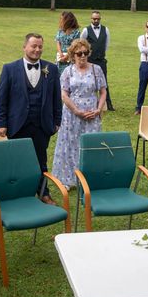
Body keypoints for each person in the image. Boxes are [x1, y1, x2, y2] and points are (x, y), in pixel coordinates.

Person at [0, 33, 62, 204]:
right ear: (24, 47)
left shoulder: (51, 69)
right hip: (18, 124)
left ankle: (43, 193)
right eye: (33, 46)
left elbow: (56, 97)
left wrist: (57, 121)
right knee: (18, 161)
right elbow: (2, 99)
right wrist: (2, 123)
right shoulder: (9, 69)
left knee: (41, 160)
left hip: (42, 124)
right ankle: (19, 195)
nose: (37, 49)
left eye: (40, 46)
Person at [51, 39, 106, 189]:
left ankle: (89, 178)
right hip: (71, 114)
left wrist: (98, 109)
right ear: (72, 55)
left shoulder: (96, 70)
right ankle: (67, 179)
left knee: (90, 145)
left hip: (92, 115)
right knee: (69, 145)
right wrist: (76, 111)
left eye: (85, 53)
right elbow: (64, 94)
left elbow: (102, 92)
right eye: (79, 53)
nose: (83, 56)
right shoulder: (67, 71)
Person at [81, 10, 114, 110]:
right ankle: (88, 104)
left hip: (101, 60)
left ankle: (108, 105)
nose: (96, 20)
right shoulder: (86, 30)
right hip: (90, 60)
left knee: (104, 82)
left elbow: (106, 44)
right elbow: (82, 43)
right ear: (91, 19)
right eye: (94, 19)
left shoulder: (105, 29)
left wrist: (102, 54)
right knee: (88, 82)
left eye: (98, 19)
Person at [55, 11, 80, 75]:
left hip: (70, 58)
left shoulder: (76, 32)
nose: (60, 21)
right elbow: (58, 42)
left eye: (62, 19)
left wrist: (66, 56)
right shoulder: (60, 31)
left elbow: (74, 46)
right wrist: (60, 54)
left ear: (67, 20)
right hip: (60, 58)